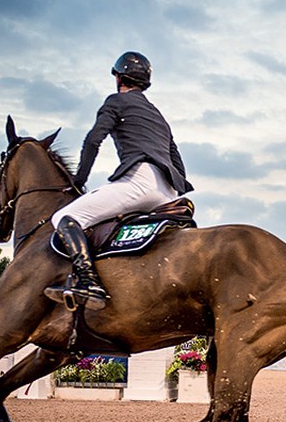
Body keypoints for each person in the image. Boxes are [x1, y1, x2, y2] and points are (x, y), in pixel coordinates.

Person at [45, 51, 193, 310]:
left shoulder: (116, 101)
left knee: (64, 217)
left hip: (140, 182)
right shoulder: (158, 115)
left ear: (118, 78)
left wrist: (79, 180)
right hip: (169, 192)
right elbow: (177, 162)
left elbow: (93, 140)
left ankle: (88, 281)